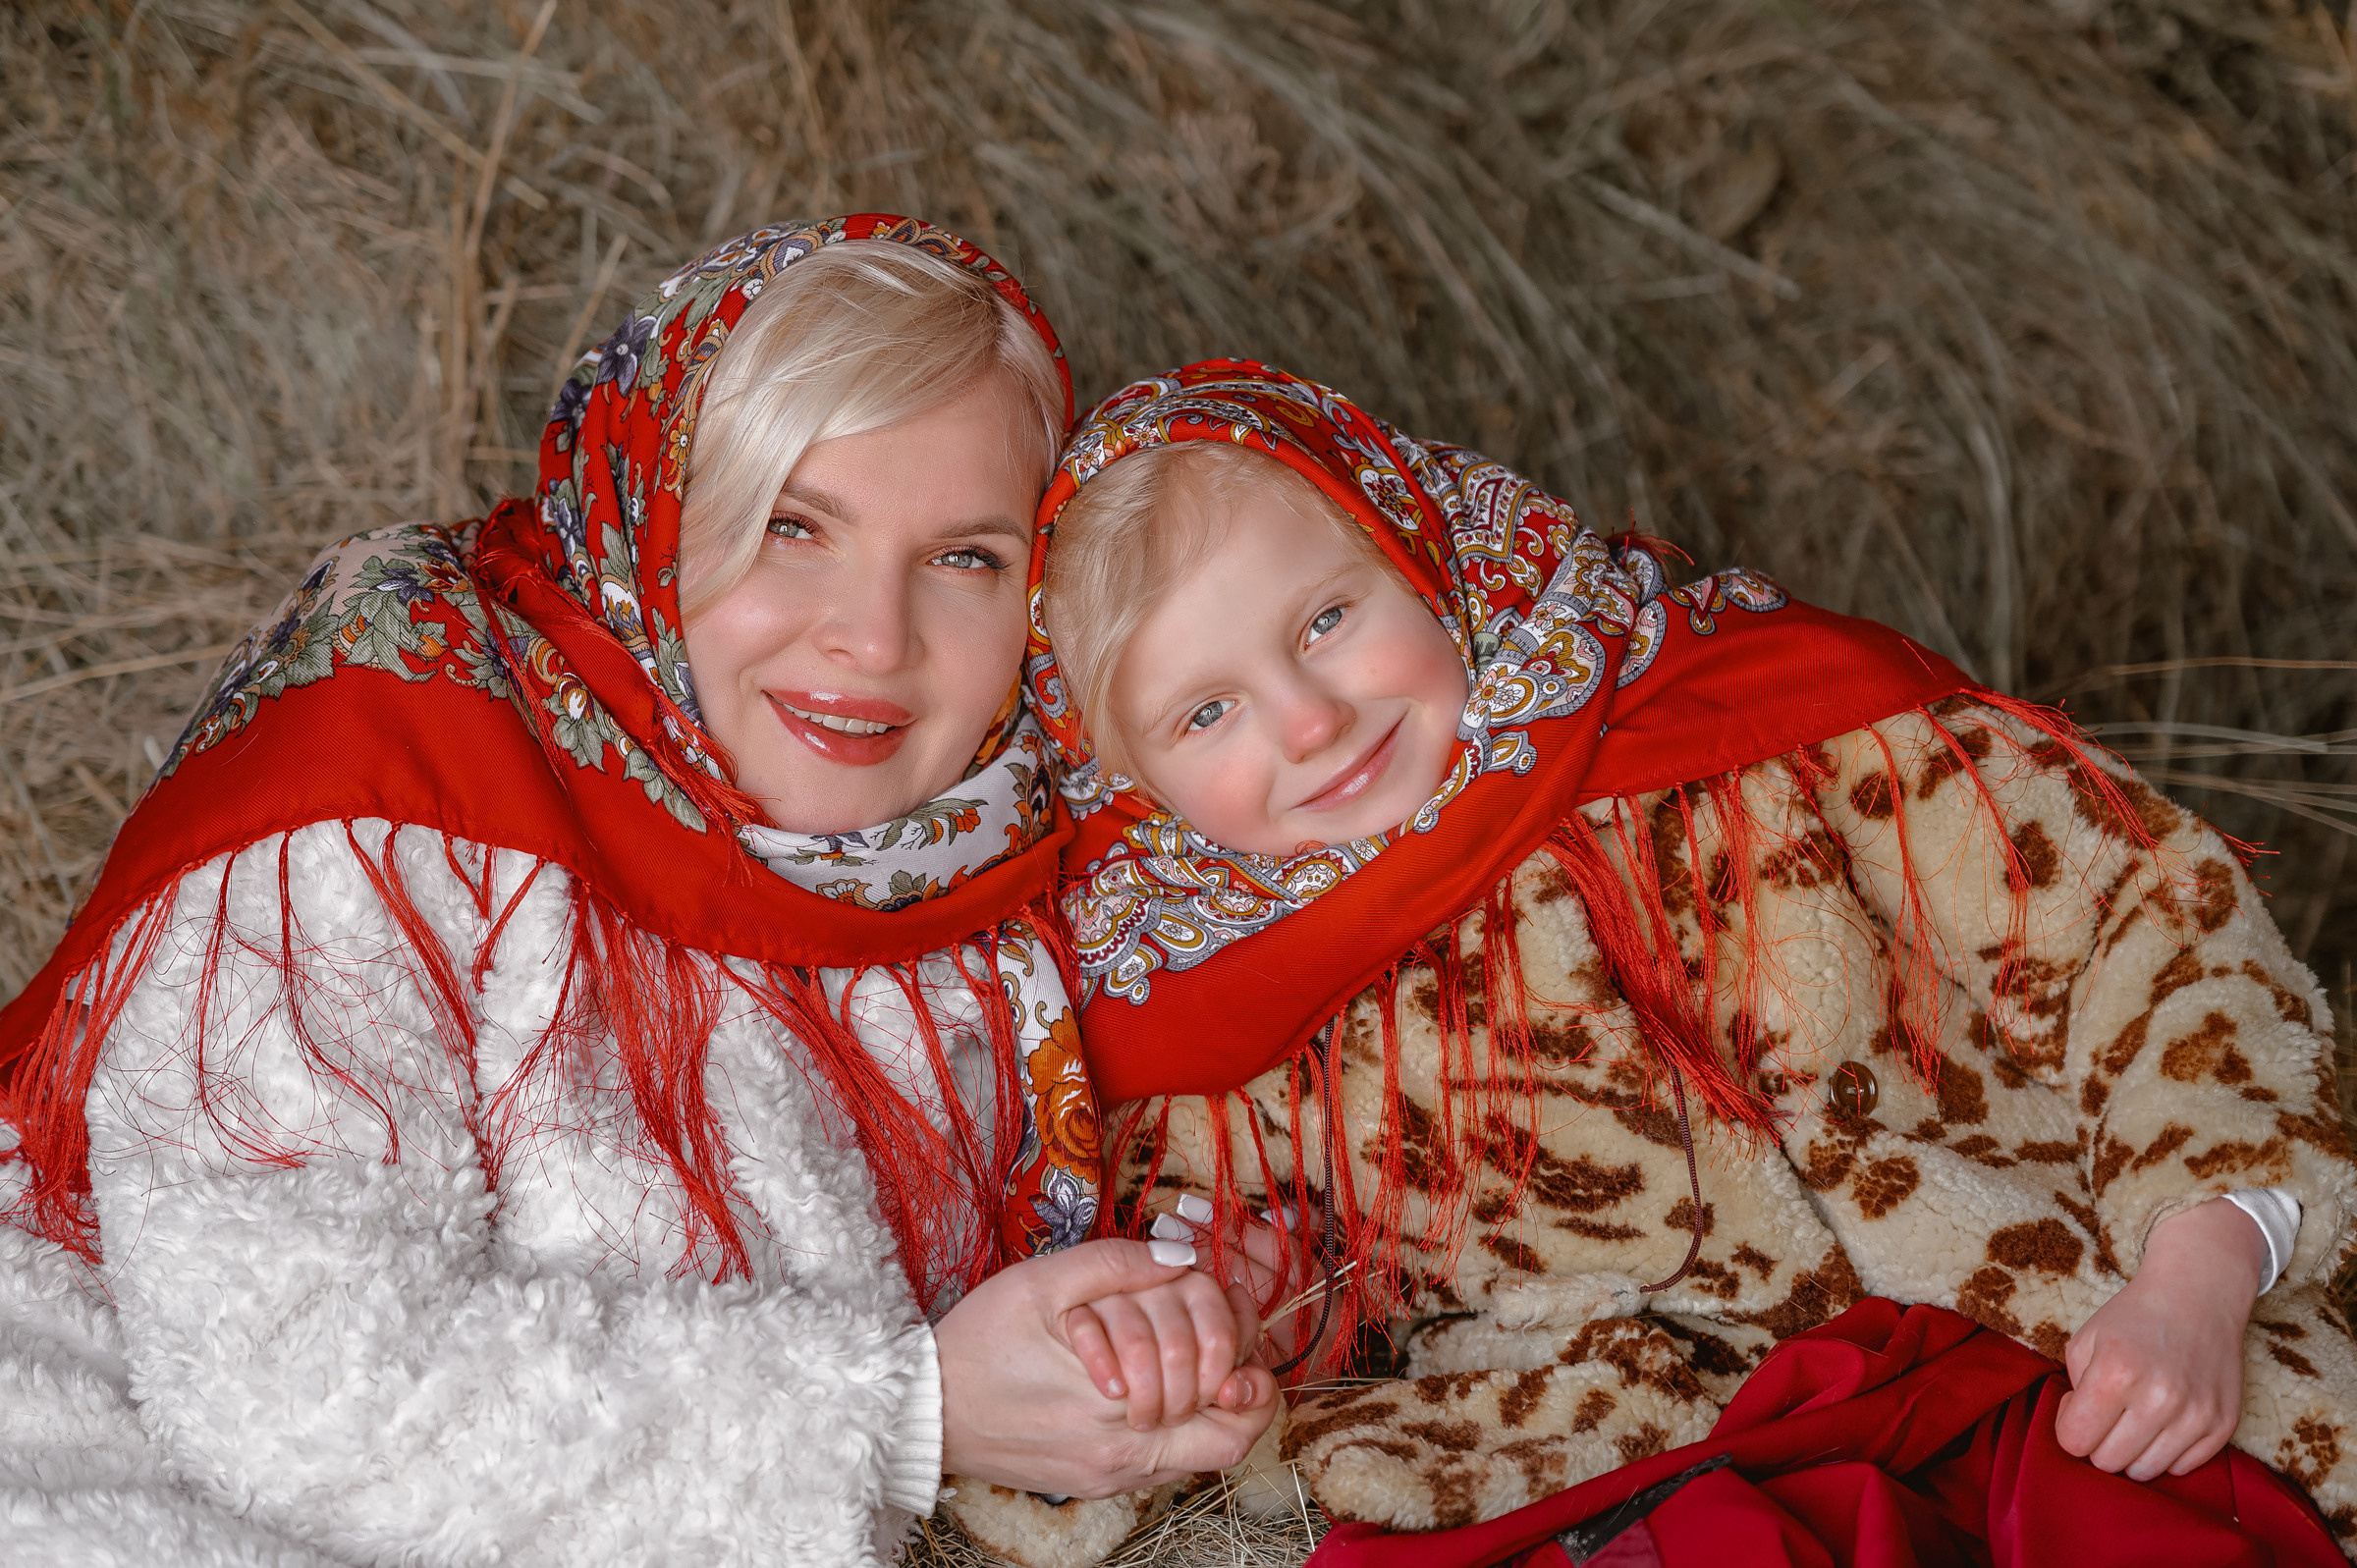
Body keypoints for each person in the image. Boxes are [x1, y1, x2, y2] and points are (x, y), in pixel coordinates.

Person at [0, 220, 1274, 1568]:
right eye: (794, 525)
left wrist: (1163, 1314)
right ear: (652, 505)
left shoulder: (1012, 858)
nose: (874, 635)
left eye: (966, 557)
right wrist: (907, 1413)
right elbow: (292, 1375)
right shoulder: (398, 755)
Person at [1014, 359, 2357, 1563]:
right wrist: (1270, 1305)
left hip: (2022, 1317)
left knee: (2138, 1513)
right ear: (1132, 789)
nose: (1309, 720)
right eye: (1208, 710)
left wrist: (2199, 1263)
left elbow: (2152, 936)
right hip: (1629, 1430)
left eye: (1325, 618)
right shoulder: (1210, 1021)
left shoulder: (1769, 726)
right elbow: (1324, 1285)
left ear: (1422, 549)